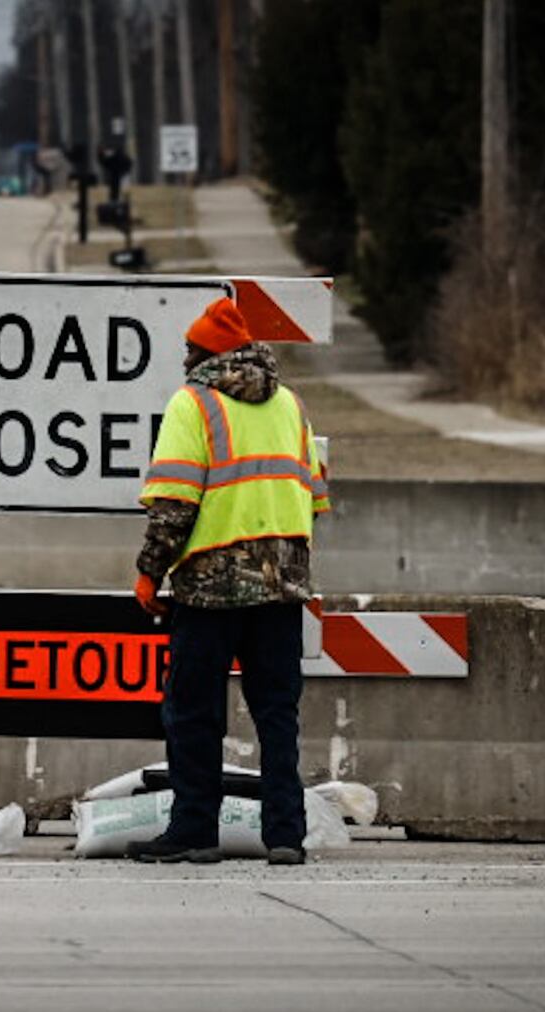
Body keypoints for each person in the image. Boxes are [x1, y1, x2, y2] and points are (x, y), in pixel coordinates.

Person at [129, 296, 329, 865]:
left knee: (193, 712)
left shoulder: (193, 404)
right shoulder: (291, 404)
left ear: (206, 353)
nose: (184, 358)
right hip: (282, 583)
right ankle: (286, 836)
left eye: (189, 349)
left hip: (211, 583)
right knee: (276, 713)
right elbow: (313, 495)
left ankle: (194, 830)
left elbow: (173, 502)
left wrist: (150, 572)